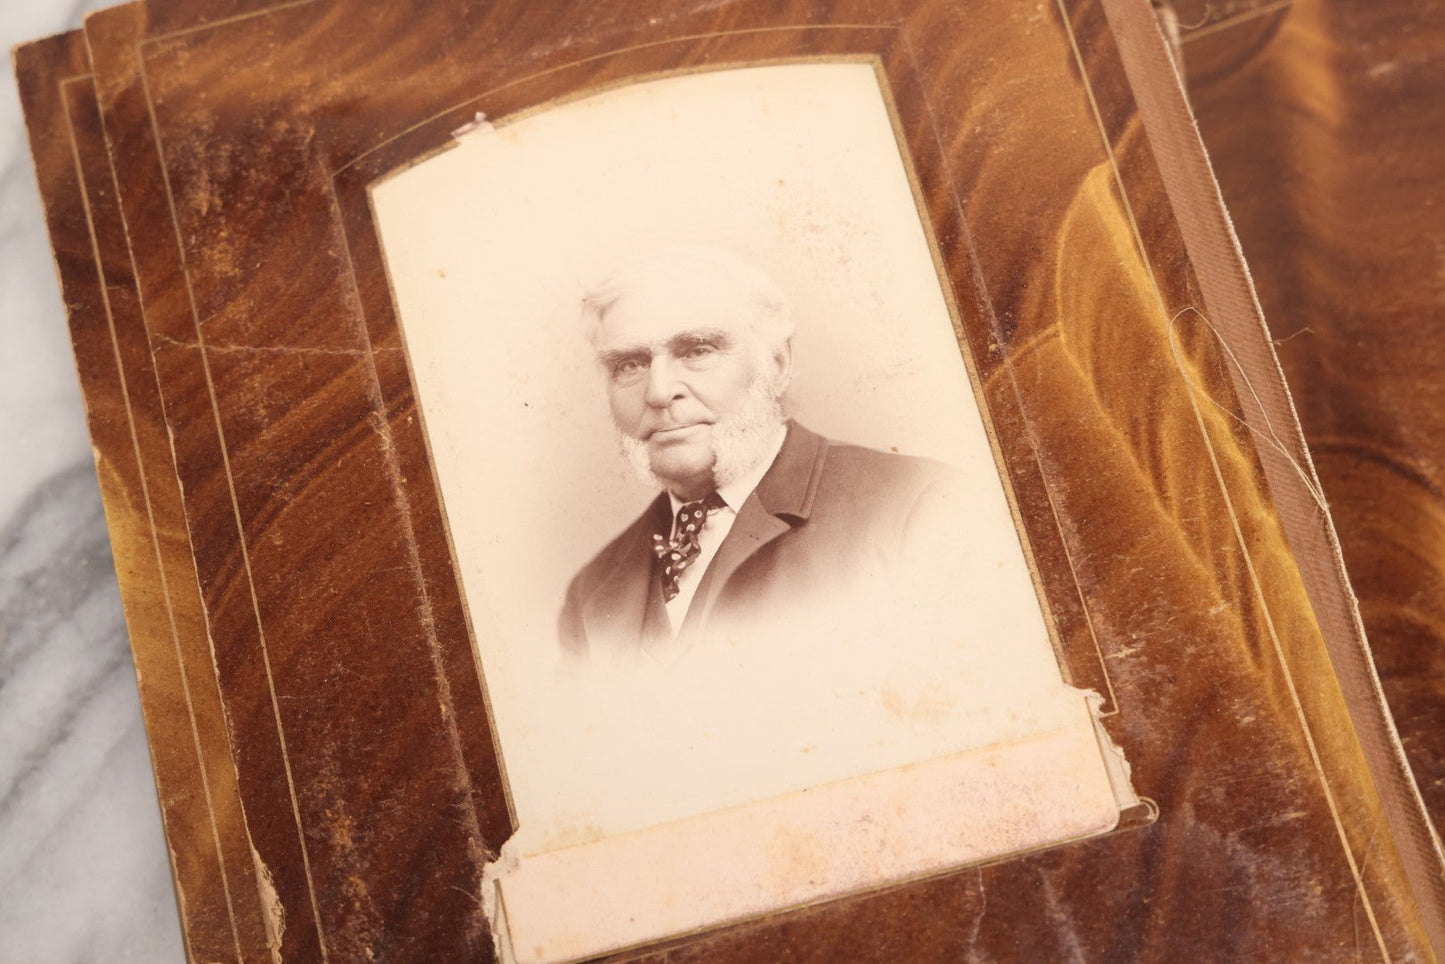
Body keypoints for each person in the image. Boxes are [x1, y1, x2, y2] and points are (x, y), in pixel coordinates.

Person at [558, 245, 974, 661]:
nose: (659, 391)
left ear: (776, 365)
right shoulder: (591, 592)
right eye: (629, 365)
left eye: (698, 350)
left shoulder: (921, 507)